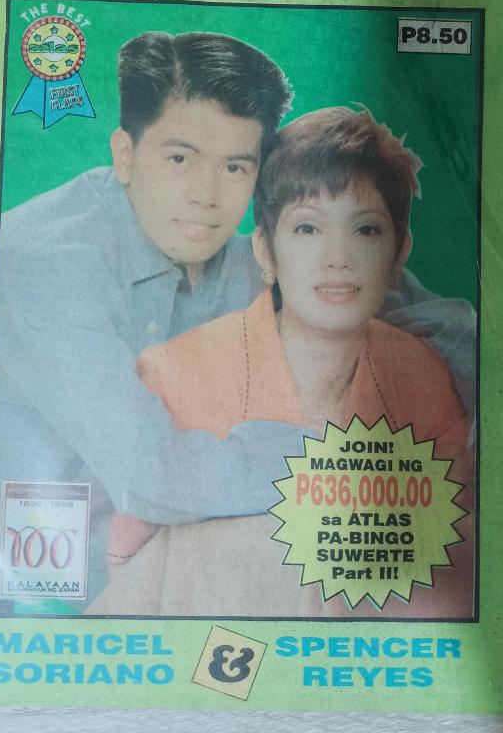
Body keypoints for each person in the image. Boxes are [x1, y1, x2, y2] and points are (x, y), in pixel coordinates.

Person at [0, 34, 476, 613]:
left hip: (198, 567)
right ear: (125, 154)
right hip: (35, 589)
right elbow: (153, 476)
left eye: (235, 166)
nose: (206, 195)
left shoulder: (252, 257)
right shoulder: (46, 263)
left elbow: (429, 316)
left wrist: (464, 435)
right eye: (179, 158)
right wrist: (360, 459)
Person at [94, 107, 473, 618]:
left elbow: (450, 562)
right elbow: (127, 570)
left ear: (399, 254)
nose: (337, 257)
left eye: (365, 230)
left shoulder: (422, 377)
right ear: (266, 252)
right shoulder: (173, 377)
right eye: (307, 228)